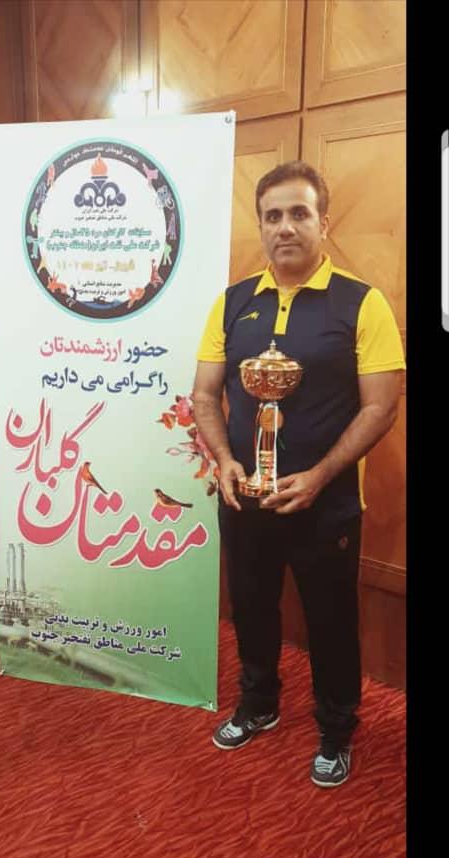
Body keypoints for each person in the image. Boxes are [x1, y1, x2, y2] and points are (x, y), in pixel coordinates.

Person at [192, 161, 405, 788]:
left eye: (298, 213)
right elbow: (204, 395)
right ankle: (258, 704)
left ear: (323, 221)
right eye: (272, 215)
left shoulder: (362, 303)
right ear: (261, 225)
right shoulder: (232, 303)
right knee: (251, 608)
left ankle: (337, 729)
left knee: (331, 621)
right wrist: (225, 461)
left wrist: (321, 473)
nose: (285, 227)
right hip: (245, 497)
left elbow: (381, 406)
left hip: (327, 502)